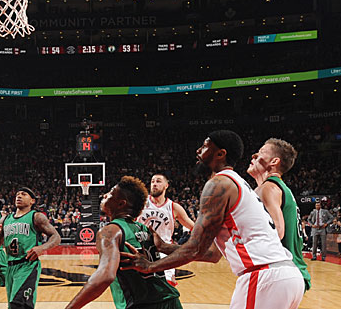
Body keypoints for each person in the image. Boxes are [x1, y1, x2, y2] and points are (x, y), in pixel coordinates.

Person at [121, 130, 304, 309]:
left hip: (263, 276)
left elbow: (194, 248)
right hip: (286, 277)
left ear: (220, 153)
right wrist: (164, 247)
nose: (198, 151)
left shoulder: (219, 184)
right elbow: (212, 254)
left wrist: (149, 266)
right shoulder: (238, 183)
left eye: (205, 146)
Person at [65, 176, 182, 309]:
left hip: (141, 304)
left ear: (121, 204)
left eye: (110, 194)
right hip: (170, 300)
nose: (105, 195)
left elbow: (105, 276)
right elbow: (166, 247)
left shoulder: (110, 231)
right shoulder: (145, 229)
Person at [247, 138, 311, 290]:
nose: (254, 155)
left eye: (261, 152)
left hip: (280, 272)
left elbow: (277, 231)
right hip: (294, 272)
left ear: (274, 161)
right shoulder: (279, 188)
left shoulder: (268, 188)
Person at [0, 187, 61, 309]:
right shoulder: (5, 219)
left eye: (23, 194)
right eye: (17, 194)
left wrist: (42, 248)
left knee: (19, 304)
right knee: (13, 305)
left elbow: (56, 237)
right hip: (10, 267)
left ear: (32, 201)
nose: (19, 196)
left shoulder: (36, 217)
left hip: (27, 265)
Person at [137, 173, 194, 285]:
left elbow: (193, 227)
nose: (154, 184)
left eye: (158, 181)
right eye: (152, 181)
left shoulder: (174, 207)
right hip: (141, 248)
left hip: (164, 251)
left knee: (166, 286)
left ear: (166, 185)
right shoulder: (141, 203)